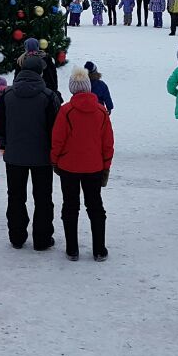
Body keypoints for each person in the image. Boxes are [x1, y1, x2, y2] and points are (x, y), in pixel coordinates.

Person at [0, 55, 60, 250]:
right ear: (40, 72)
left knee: (15, 196)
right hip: (42, 157)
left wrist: (5, 141)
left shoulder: (7, 94)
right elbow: (56, 129)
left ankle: (17, 236)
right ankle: (42, 238)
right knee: (43, 198)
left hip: (14, 156)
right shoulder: (48, 96)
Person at [50, 68, 113, 261]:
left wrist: (55, 159)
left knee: (70, 206)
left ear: (72, 89)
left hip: (68, 166)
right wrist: (106, 165)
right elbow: (107, 142)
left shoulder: (66, 111)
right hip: (94, 167)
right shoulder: (101, 111)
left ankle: (72, 249)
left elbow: (57, 139)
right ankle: (99, 249)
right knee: (95, 206)